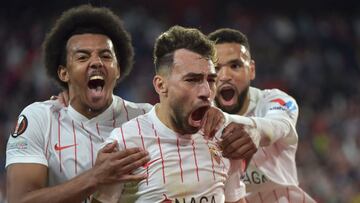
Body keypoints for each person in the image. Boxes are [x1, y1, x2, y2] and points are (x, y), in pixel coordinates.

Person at [5, 5, 152, 203]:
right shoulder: (39, 118)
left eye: (106, 56)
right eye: (82, 56)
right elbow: (19, 200)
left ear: (118, 69)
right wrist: (96, 177)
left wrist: (209, 113)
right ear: (63, 73)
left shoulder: (145, 117)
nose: (96, 62)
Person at [92, 25, 247, 203]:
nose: (206, 91)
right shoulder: (125, 144)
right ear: (161, 85)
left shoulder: (224, 138)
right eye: (192, 80)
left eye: (211, 80)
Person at [208, 28, 316, 202]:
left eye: (235, 65)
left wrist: (256, 130)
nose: (225, 76)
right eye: (216, 68)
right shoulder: (196, 118)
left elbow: (279, 124)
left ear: (251, 70)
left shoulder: (275, 100)